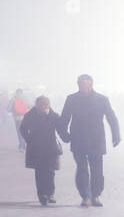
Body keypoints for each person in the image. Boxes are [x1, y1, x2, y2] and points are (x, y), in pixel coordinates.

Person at [57, 74, 120, 207]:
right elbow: (64, 119)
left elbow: (111, 118)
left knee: (97, 170)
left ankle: (95, 195)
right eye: (79, 84)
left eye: (84, 84)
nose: (81, 86)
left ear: (91, 83)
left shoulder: (102, 99)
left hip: (96, 140)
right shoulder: (72, 99)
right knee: (82, 169)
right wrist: (65, 135)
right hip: (78, 139)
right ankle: (85, 196)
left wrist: (116, 135)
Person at [20, 96, 62, 205]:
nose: (42, 108)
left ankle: (50, 193)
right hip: (36, 148)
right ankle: (42, 195)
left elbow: (60, 129)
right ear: (37, 105)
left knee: (50, 171)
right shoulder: (30, 115)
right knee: (39, 172)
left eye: (44, 106)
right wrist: (29, 140)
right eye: (40, 106)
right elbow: (23, 128)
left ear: (48, 105)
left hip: (50, 148)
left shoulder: (53, 116)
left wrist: (68, 137)